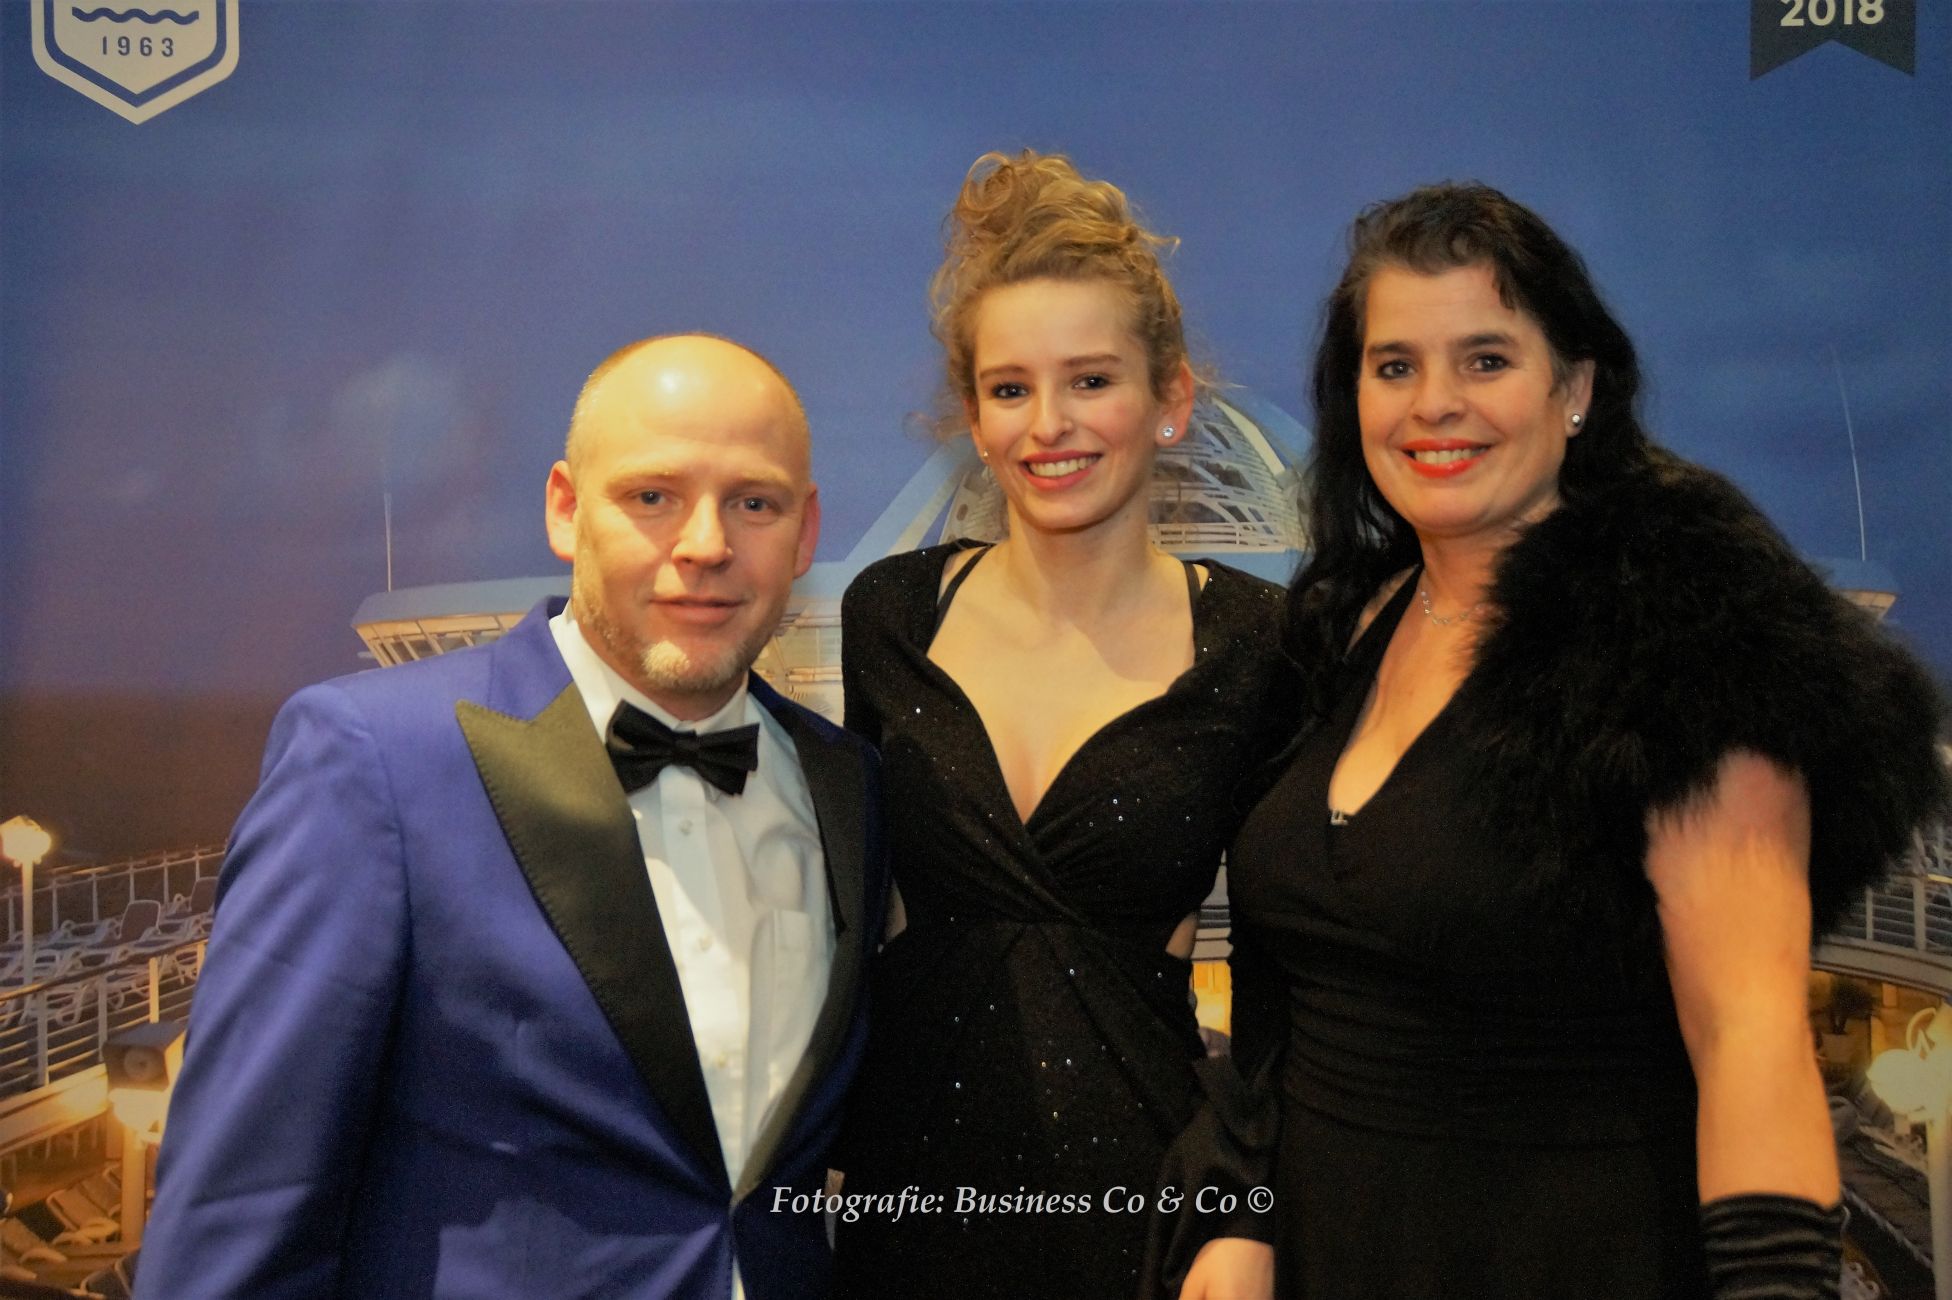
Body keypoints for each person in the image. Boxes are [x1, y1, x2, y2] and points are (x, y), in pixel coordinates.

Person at [1228, 183, 1948, 1299]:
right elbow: (1291, 1007)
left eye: (1485, 359)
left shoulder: (1684, 639)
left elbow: (1749, 1042)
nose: (1433, 405)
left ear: (1573, 389)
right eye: (1394, 366)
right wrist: (1233, 1221)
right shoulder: (1352, 624)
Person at [138, 335, 887, 1299]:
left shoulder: (846, 783)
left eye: (754, 503)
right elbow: (240, 1214)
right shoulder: (374, 761)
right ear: (565, 509)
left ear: (806, 530)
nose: (706, 545)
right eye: (652, 496)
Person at [833, 151, 1291, 1300]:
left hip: (1149, 1190)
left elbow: (1292, 976)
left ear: (1170, 400)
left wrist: (1245, 1209)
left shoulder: (1258, 642)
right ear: (972, 416)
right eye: (1008, 388)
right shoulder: (889, 617)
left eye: (1089, 380)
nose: (1048, 425)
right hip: (907, 1195)